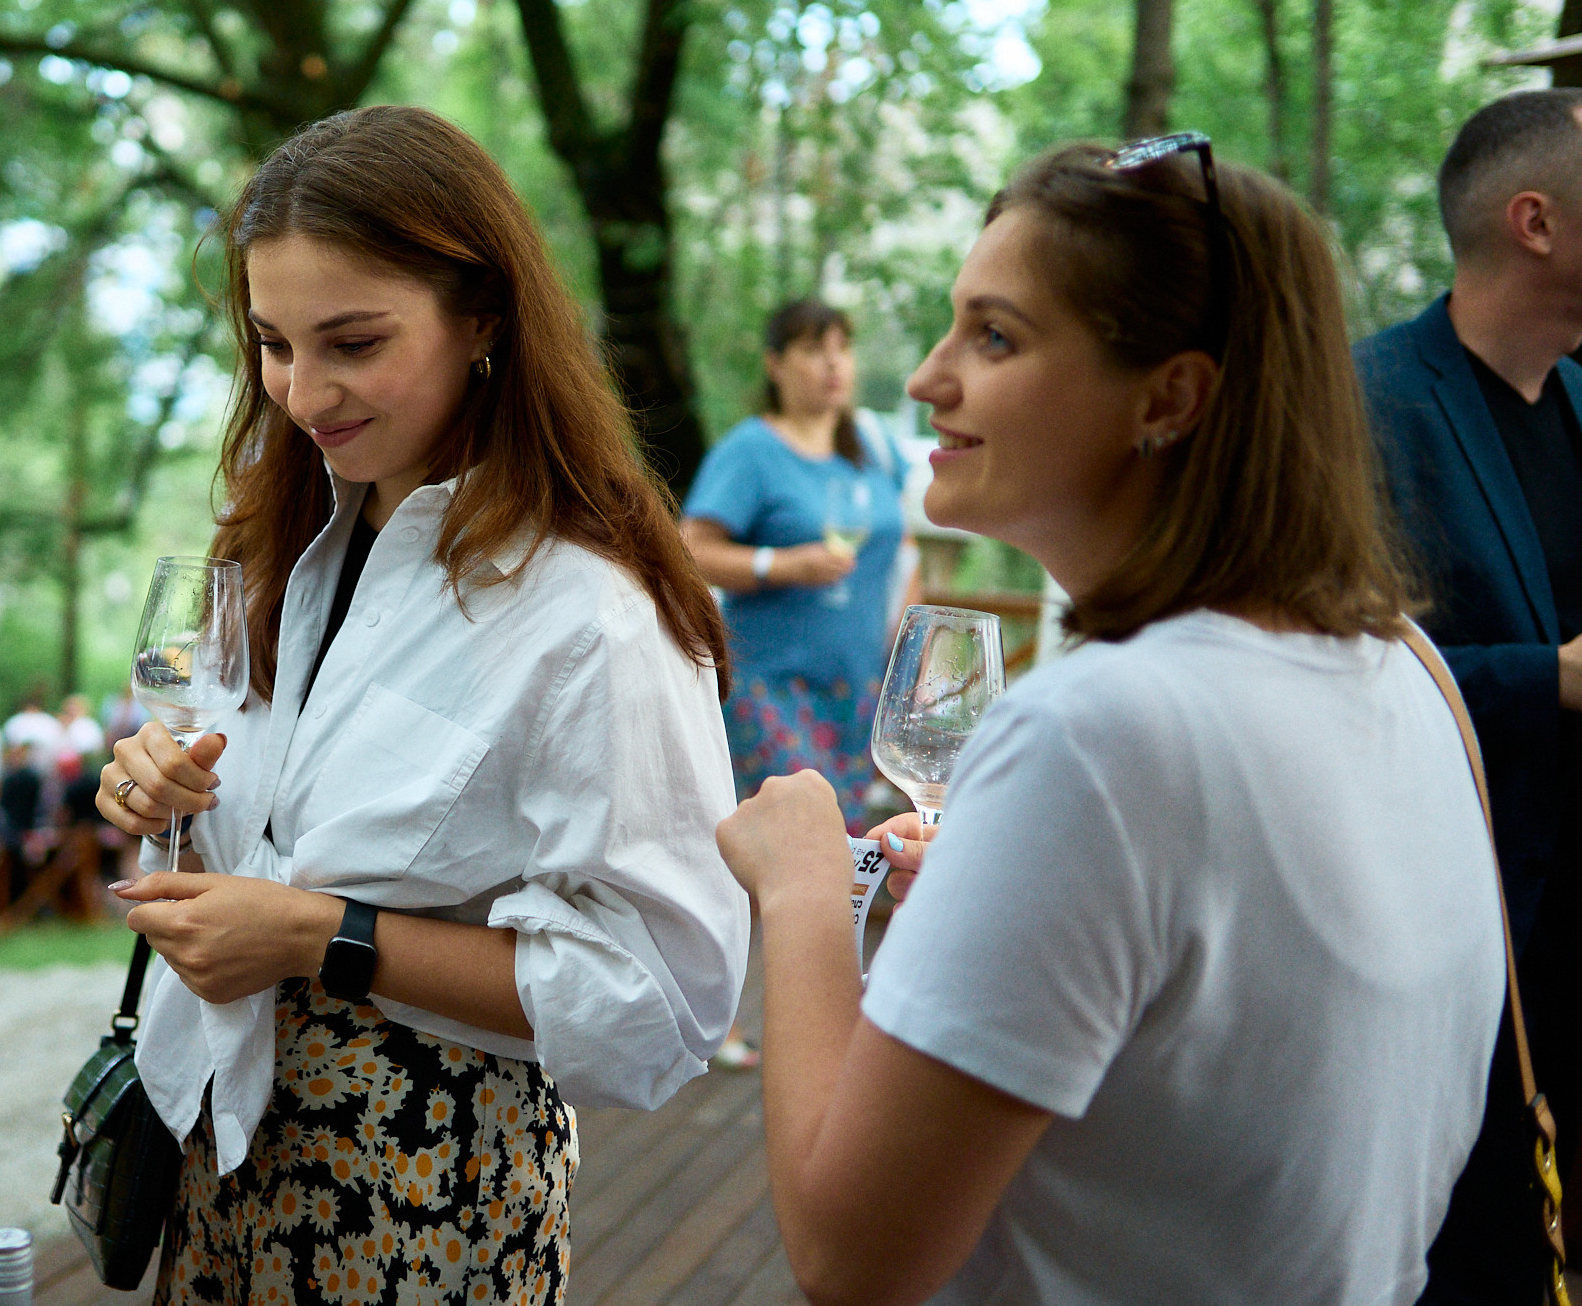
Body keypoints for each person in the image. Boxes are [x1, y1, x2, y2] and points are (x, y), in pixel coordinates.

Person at [717, 138, 1506, 1302]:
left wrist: (800, 890)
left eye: (994, 336)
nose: (929, 378)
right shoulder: (1408, 663)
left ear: (1169, 395)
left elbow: (851, 1257)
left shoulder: (1100, 730)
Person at [97, 105, 750, 1303]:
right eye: (272, 342)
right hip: (218, 1144)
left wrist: (313, 933)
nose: (300, 391)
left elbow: (656, 1002)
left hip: (421, 1191)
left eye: (351, 341)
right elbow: (273, 825)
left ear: (484, 318)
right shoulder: (288, 542)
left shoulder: (587, 612)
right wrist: (164, 797)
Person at [1355, 89, 1582, 1306]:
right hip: (1461, 938)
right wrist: (1547, 675)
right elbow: (1332, 666)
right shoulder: (1367, 398)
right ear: (1533, 219)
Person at [682, 300, 913, 818]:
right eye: (814, 350)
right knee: (804, 829)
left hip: (858, 688)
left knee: (843, 837)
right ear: (775, 364)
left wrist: (903, 657)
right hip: (768, 684)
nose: (834, 364)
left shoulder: (874, 446)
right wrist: (782, 567)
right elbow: (689, 549)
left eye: (843, 349)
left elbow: (902, 551)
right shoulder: (751, 451)